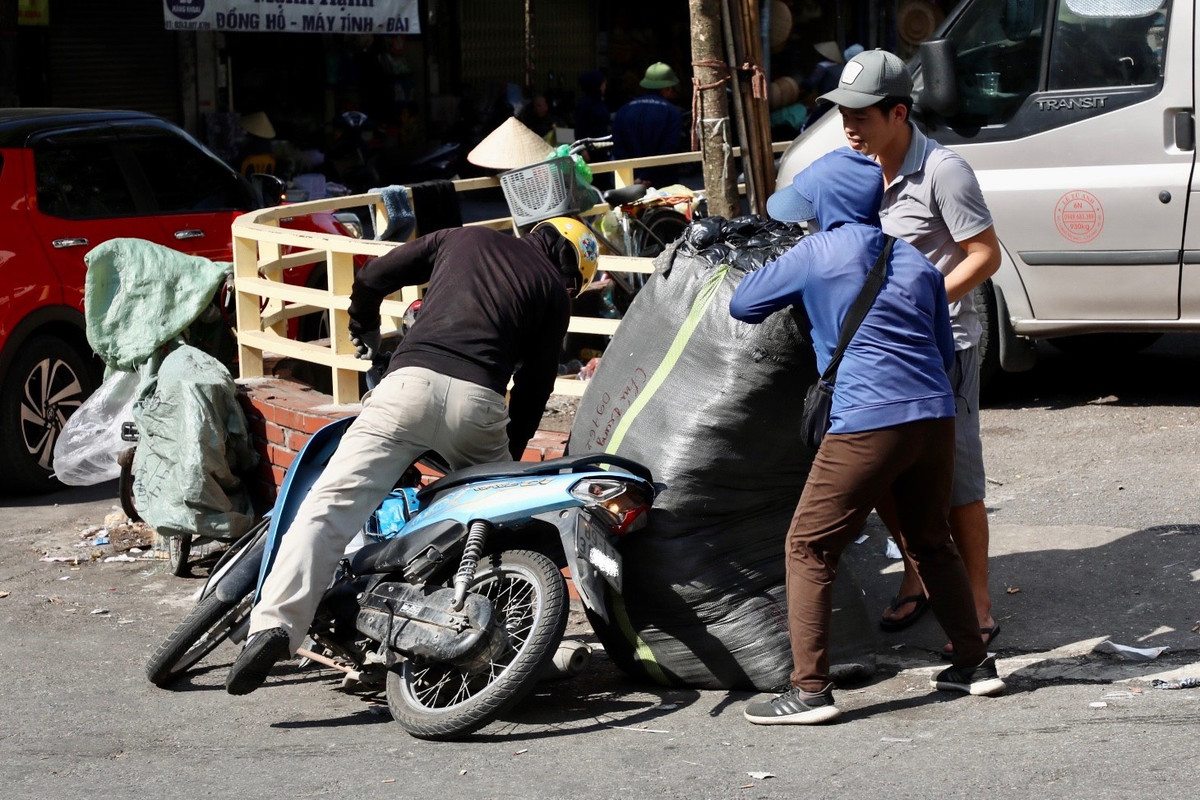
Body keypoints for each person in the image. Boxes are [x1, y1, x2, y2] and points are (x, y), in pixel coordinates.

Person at [224, 218, 599, 695]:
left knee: (329, 507)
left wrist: (364, 323)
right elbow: (534, 386)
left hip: (406, 386)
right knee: (496, 527)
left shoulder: (461, 235)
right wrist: (505, 465)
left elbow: (373, 276)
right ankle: (482, 638)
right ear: (567, 266)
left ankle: (276, 625)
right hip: (478, 404)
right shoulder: (550, 289)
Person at [731, 148, 1004, 725]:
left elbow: (744, 302)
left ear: (827, 207)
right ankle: (975, 667)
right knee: (931, 539)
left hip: (867, 419)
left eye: (809, 208)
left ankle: (808, 691)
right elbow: (936, 340)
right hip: (934, 415)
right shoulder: (916, 261)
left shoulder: (815, 251)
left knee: (809, 546)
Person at [818, 49, 1003, 655]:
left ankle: (975, 601)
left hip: (946, 345)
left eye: (861, 114)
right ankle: (919, 572)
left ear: (898, 113)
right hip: (883, 351)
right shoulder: (859, 170)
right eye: (843, 111)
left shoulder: (945, 171)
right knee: (887, 475)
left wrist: (920, 300)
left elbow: (984, 254)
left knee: (958, 482)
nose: (849, 124)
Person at [611, 62, 684, 187]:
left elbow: (618, 146)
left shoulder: (624, 110)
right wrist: (646, 177)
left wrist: (636, 177)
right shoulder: (672, 112)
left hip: (629, 181)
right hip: (661, 182)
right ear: (668, 88)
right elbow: (669, 149)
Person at [574, 69, 611, 142]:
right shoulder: (585, 104)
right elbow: (580, 129)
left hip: (602, 143)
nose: (605, 87)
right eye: (603, 84)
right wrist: (583, 150)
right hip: (590, 145)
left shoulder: (600, 101)